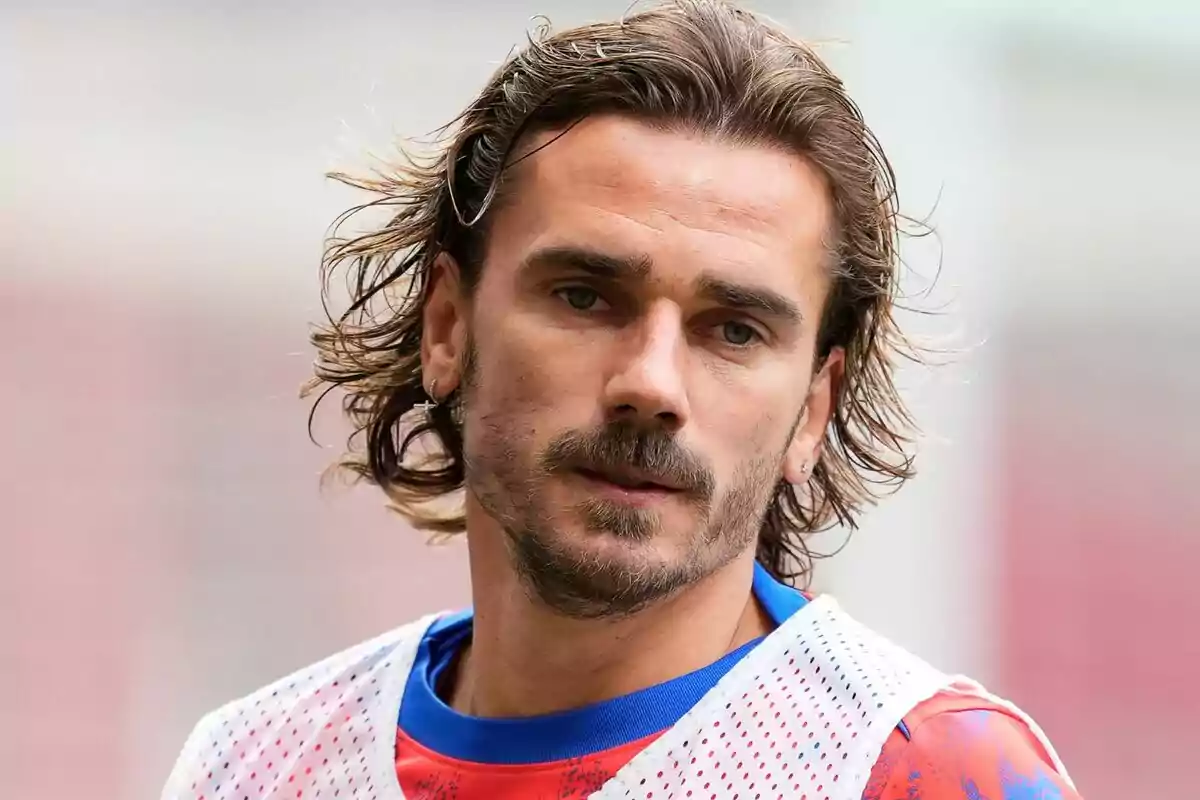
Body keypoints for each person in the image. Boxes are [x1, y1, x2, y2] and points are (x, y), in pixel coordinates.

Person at [162, 2, 1082, 798]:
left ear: (812, 407)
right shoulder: (255, 766)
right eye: (584, 296)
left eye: (733, 329)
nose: (650, 383)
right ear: (449, 325)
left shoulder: (927, 774)